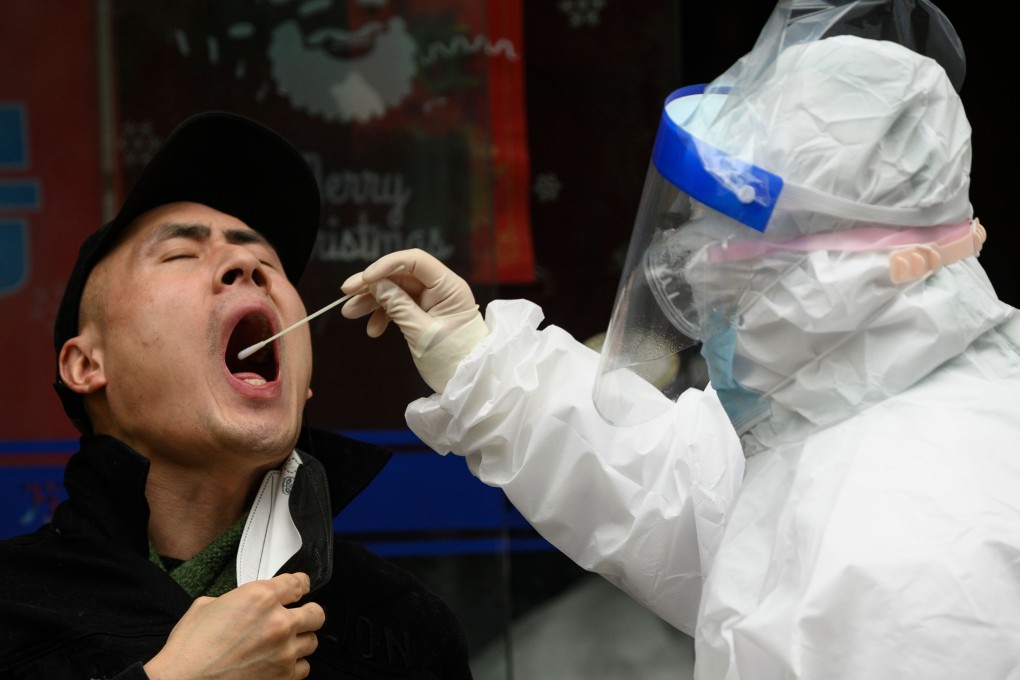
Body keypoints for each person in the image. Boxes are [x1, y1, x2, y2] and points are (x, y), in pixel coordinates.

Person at [339, 0, 1020, 677]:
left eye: (736, 239)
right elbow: (687, 503)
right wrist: (483, 362)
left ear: (855, 267)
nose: (697, 262)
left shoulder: (919, 547)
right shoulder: (847, 413)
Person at [0, 112, 473, 679]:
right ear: (86, 365)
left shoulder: (405, 628)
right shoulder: (13, 604)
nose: (246, 263)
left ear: (302, 384)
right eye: (180, 254)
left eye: (266, 262)